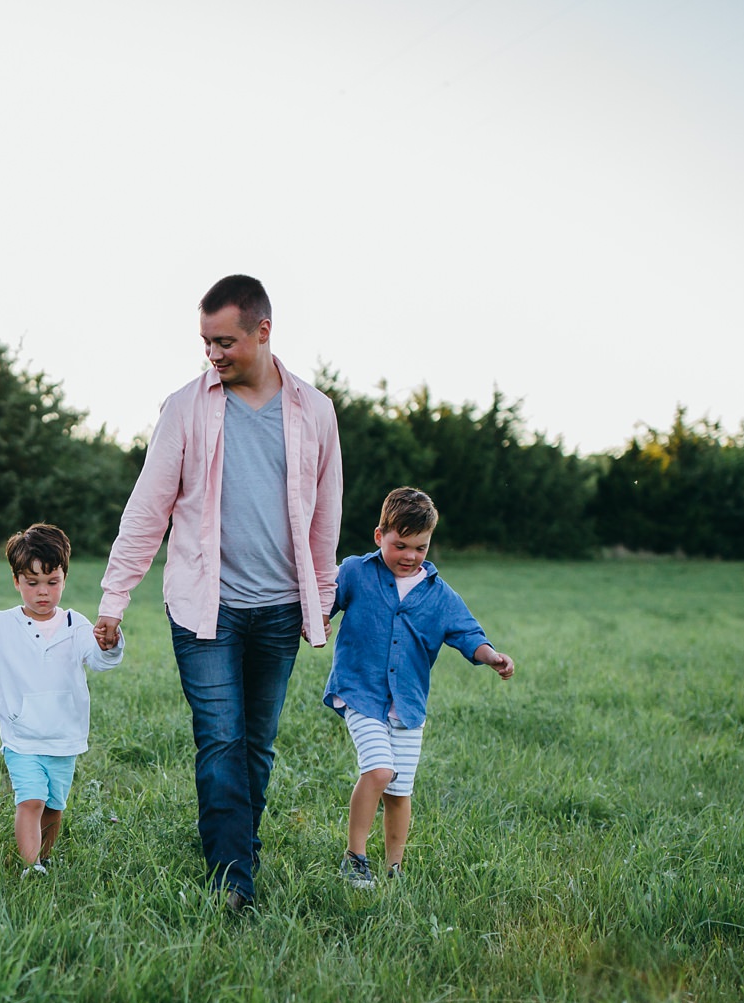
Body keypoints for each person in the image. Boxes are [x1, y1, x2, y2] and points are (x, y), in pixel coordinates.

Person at [96, 275, 342, 910]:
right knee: (222, 738)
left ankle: (241, 844)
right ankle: (232, 877)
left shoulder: (314, 410)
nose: (214, 354)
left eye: (225, 341)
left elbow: (325, 515)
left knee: (257, 744)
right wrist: (114, 597)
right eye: (206, 342)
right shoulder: (185, 407)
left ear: (263, 332)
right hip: (206, 610)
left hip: (281, 609)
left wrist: (321, 596)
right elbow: (147, 508)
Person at [326, 487, 514, 886]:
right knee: (379, 770)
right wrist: (318, 619)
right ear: (380, 536)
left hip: (408, 705)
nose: (410, 556)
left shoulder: (439, 595)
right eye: (400, 545)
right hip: (361, 692)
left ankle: (395, 868)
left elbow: (468, 633)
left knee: (399, 789)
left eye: (420, 547)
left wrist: (491, 655)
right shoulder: (357, 571)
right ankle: (355, 858)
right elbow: (325, 600)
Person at [0, 523, 124, 875]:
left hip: (64, 737)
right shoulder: (2, 626)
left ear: (64, 579)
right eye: (32, 583)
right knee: (30, 799)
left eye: (52, 582)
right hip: (22, 738)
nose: (42, 592)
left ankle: (44, 857)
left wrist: (110, 643)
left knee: (54, 806)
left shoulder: (76, 625)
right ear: (16, 582)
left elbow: (100, 659)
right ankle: (31, 868)